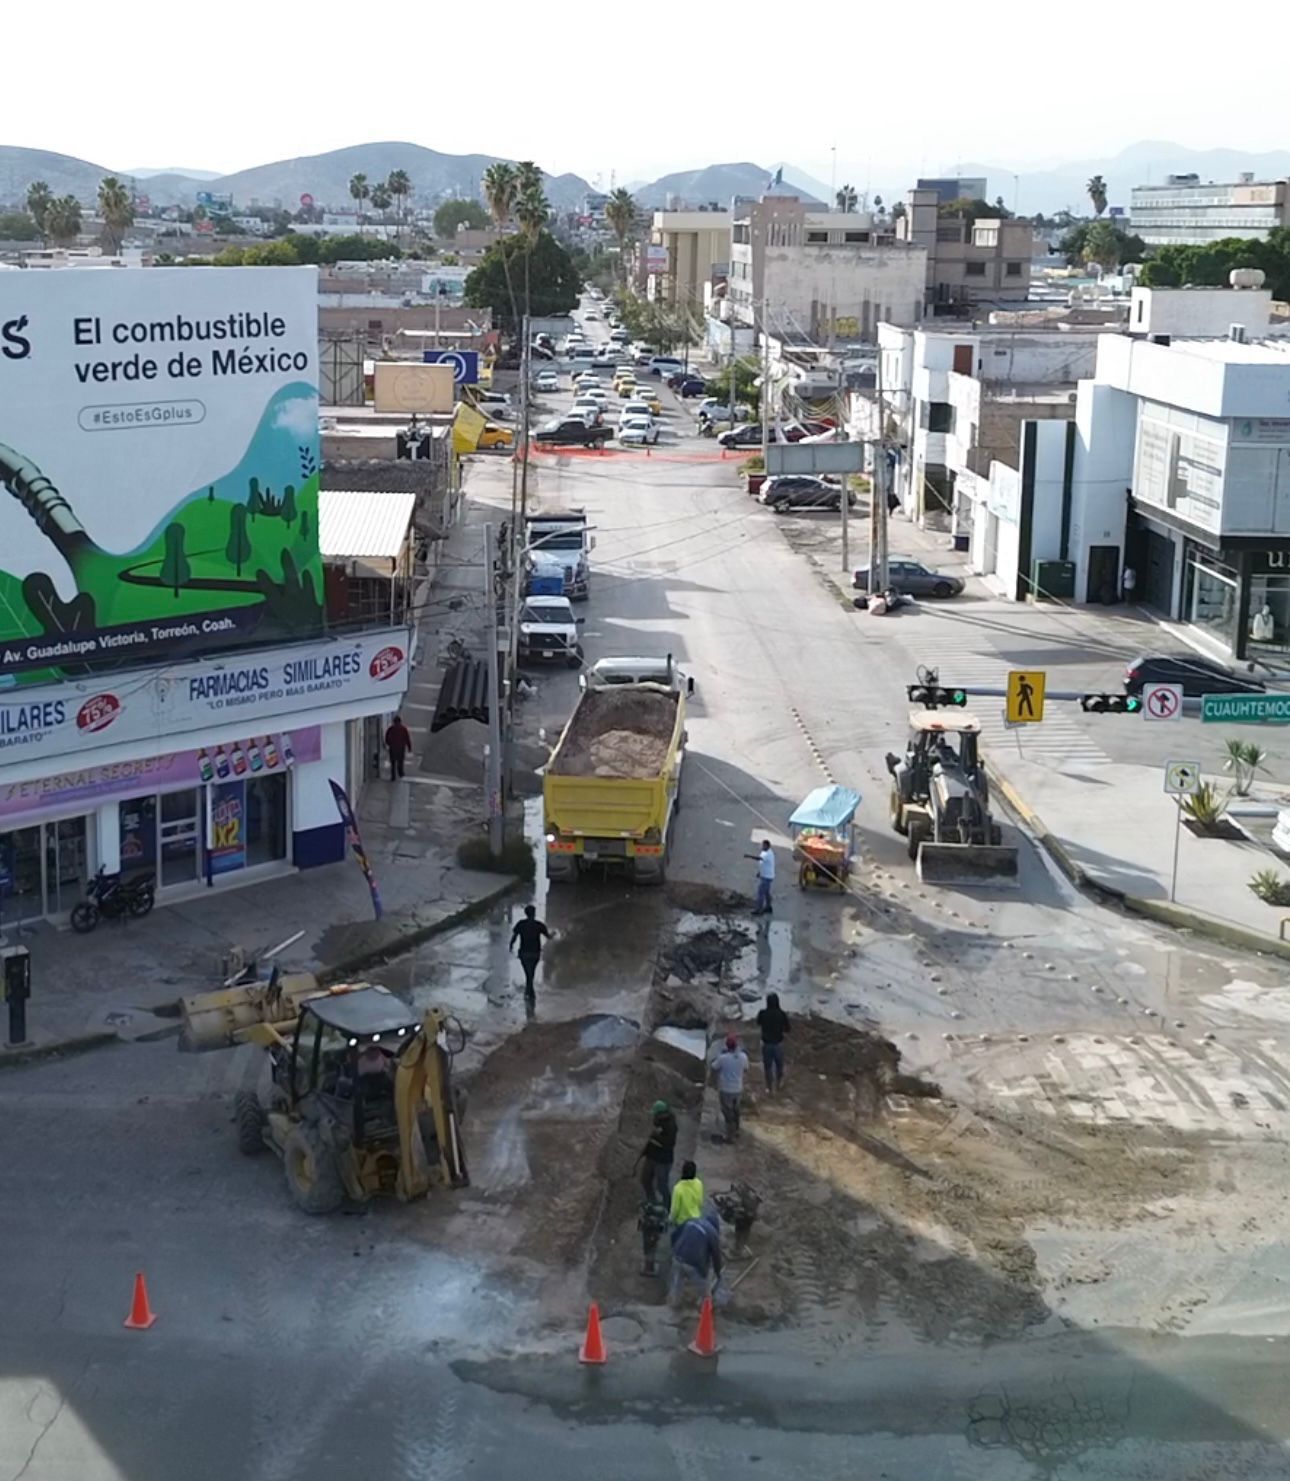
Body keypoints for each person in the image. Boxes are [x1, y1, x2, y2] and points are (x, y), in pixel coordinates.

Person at [669, 1211, 724, 1305]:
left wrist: (675, 1249)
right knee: (704, 1291)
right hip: (694, 1264)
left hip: (677, 1258)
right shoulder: (712, 1232)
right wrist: (718, 1272)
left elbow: (674, 1234)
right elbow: (716, 1256)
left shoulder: (690, 1221)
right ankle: (705, 1308)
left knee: (676, 1286)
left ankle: (673, 1306)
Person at [712, 1033, 750, 1141]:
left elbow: (714, 1066)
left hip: (725, 1089)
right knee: (736, 1110)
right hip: (738, 1088)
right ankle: (737, 1129)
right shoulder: (743, 1057)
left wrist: (720, 1054)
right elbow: (746, 1068)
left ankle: (730, 1135)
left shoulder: (723, 1058)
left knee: (728, 1112)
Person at [509, 905, 552, 999]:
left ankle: (529, 989)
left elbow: (514, 936)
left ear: (526, 913)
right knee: (531, 971)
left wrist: (511, 946)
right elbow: (548, 936)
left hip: (524, 953)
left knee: (528, 972)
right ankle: (530, 989)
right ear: (534, 913)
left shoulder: (521, 924)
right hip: (535, 953)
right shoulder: (539, 925)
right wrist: (554, 935)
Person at [640, 1099, 677, 1205]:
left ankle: (667, 1205)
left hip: (663, 1160)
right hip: (652, 1156)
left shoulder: (671, 1126)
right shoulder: (658, 1123)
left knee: (662, 1185)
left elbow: (669, 1143)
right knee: (645, 1179)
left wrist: (655, 1136)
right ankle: (652, 1200)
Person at [756, 991, 790, 1094]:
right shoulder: (781, 1014)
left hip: (766, 1044)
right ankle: (779, 1083)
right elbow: (788, 1028)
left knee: (768, 1066)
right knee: (779, 1065)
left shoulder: (762, 1013)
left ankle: (769, 1087)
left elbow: (758, 1022)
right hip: (778, 1043)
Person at [669, 1159, 704, 1227]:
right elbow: (700, 1203)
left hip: (682, 1222)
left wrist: (670, 1219)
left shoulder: (678, 1188)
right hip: (696, 1219)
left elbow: (675, 1209)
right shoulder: (699, 1183)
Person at [750, 839, 775, 915]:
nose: (762, 846)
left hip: (767, 877)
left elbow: (760, 859)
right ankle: (768, 907)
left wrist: (749, 856)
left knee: (761, 892)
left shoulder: (768, 854)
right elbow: (763, 864)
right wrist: (760, 872)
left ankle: (759, 910)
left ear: (767, 846)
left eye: (763, 845)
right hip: (766, 875)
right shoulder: (766, 852)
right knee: (766, 892)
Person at [384, 715, 413, 780]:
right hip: (401, 748)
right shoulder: (403, 729)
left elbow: (386, 738)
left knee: (393, 763)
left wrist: (389, 744)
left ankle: (393, 776)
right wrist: (409, 747)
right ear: (400, 722)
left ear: (394, 722)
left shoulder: (390, 729)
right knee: (400, 761)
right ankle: (401, 773)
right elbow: (407, 738)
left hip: (393, 748)